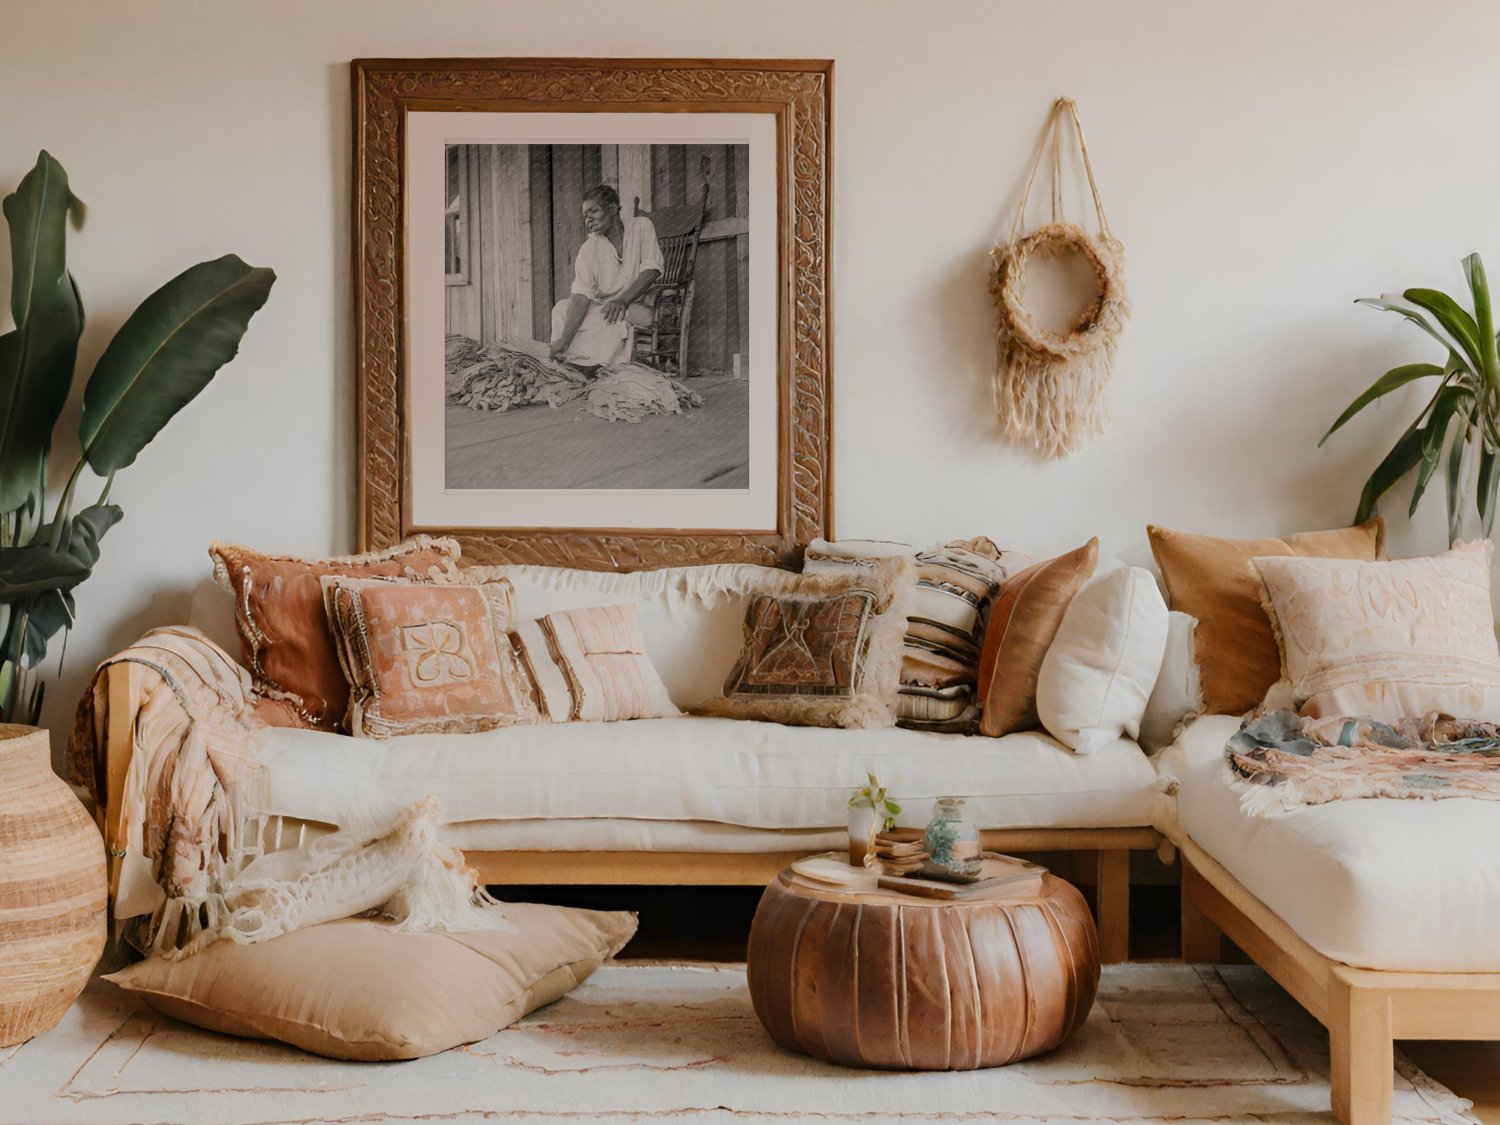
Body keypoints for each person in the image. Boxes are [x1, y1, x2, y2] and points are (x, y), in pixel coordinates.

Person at [549, 184, 663, 367]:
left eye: (593, 211)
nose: (589, 219)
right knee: (561, 309)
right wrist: (564, 338)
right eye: (585, 216)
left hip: (636, 305)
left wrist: (622, 300)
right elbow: (581, 295)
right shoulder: (588, 250)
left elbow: (652, 270)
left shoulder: (641, 226)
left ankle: (595, 365)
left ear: (612, 208)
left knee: (611, 316)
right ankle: (568, 357)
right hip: (603, 307)